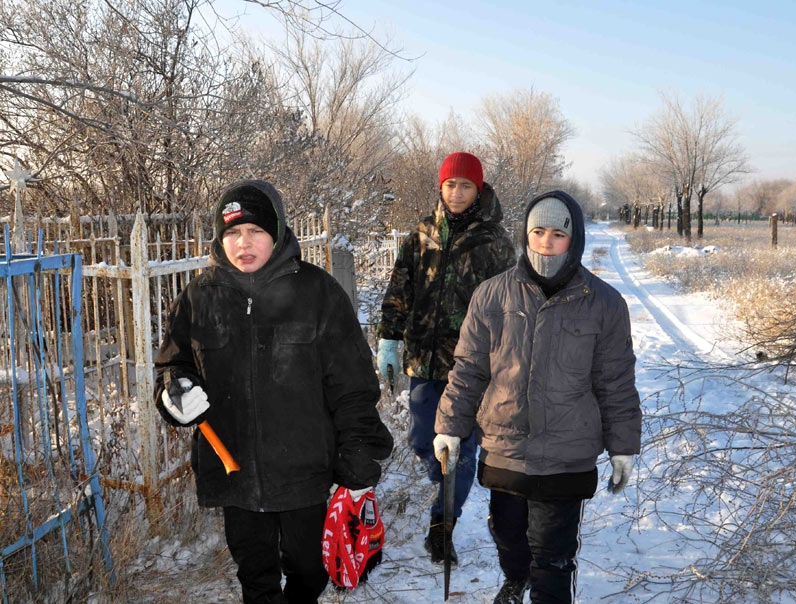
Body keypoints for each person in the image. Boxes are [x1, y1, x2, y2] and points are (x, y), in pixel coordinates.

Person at [154, 180, 393, 604]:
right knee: (255, 575)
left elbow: (354, 385)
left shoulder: (317, 293)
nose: (243, 243)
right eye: (231, 233)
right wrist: (176, 394)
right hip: (234, 472)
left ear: (278, 232)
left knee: (308, 568)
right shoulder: (197, 298)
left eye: (255, 232)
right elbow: (173, 366)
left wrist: (358, 456)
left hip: (304, 471)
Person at [433, 191, 642, 604]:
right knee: (510, 536)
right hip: (505, 447)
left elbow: (615, 381)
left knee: (553, 554)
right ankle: (515, 578)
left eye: (558, 233)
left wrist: (623, 447)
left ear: (575, 238)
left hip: (567, 453)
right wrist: (449, 427)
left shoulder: (604, 304)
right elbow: (469, 369)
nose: (546, 242)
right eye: (538, 231)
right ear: (525, 236)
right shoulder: (492, 295)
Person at [375, 152, 516, 564]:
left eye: (465, 185)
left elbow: (509, 307)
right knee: (423, 440)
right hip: (423, 359)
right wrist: (389, 339)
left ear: (478, 190)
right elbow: (399, 289)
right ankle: (446, 485)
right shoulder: (420, 234)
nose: (456, 193)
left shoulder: (495, 243)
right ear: (441, 187)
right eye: (450, 184)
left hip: (473, 367)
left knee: (462, 449)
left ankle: (443, 524)